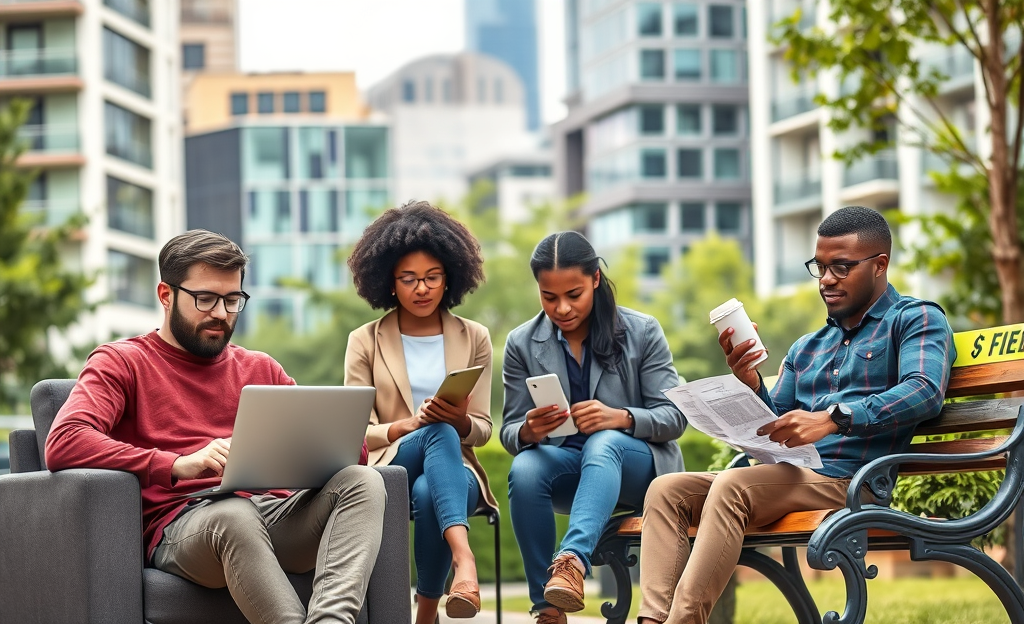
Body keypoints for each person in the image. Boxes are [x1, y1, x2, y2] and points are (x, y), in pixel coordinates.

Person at [45, 230, 386, 624]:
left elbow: (350, 454)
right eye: (205, 299)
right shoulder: (122, 361)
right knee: (234, 515)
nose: (222, 314)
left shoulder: (261, 368)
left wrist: (335, 441)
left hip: (273, 515)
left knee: (364, 481)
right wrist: (176, 463)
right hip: (186, 526)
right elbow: (65, 440)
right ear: (166, 295)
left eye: (232, 300)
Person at [637, 206, 956, 624]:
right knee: (667, 490)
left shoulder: (916, 318)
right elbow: (775, 424)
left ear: (880, 265)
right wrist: (750, 382)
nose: (826, 280)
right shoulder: (807, 347)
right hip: (791, 476)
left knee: (732, 486)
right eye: (820, 267)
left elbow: (924, 390)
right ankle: (651, 620)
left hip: (852, 481)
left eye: (841, 267)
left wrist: (834, 418)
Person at [500, 231, 687, 624]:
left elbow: (675, 417)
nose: (562, 308)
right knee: (526, 467)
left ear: (596, 279)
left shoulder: (642, 330)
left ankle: (571, 562)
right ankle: (548, 606)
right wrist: (528, 431)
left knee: (604, 442)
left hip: (640, 471)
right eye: (549, 297)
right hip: (574, 472)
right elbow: (510, 431)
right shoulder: (521, 343)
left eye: (574, 294)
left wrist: (622, 418)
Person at [344, 201, 495, 623]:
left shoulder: (475, 337)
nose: (422, 288)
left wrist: (459, 419)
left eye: (432, 277)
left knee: (432, 488)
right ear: (389, 282)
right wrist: (409, 425)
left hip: (456, 471)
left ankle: (425, 613)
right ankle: (465, 562)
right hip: (391, 464)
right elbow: (354, 430)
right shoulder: (365, 340)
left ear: (450, 277)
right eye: (409, 279)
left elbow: (483, 428)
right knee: (434, 431)